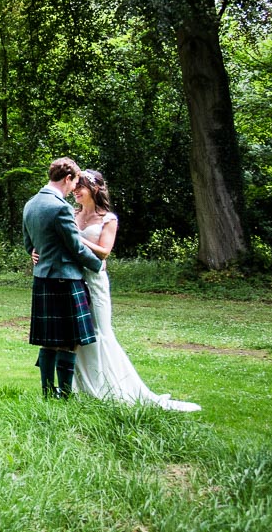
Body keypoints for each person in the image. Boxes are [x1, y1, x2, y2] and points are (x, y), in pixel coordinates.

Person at [71, 170, 201, 411]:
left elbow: (104, 251)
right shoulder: (73, 214)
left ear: (95, 189)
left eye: (81, 187)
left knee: (100, 332)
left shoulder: (107, 218)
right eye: (75, 186)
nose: (76, 190)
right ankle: (83, 389)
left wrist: (74, 239)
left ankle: (113, 387)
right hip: (74, 279)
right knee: (79, 335)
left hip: (95, 281)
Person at [24, 157, 105, 398]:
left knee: (49, 339)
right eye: (74, 183)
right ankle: (66, 393)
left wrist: (36, 254)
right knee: (70, 339)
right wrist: (98, 265)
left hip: (42, 277)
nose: (74, 189)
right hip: (65, 278)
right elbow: (75, 247)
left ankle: (49, 392)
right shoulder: (60, 207)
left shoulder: (31, 204)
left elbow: (29, 245)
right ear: (67, 178)